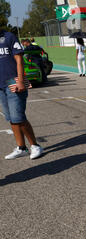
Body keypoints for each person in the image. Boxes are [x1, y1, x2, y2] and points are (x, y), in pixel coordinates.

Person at [0, 29, 43, 160]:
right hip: (1, 85)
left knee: (18, 117)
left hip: (14, 82)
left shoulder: (9, 36)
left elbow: (19, 60)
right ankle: (21, 148)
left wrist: (20, 81)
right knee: (11, 118)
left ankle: (35, 146)